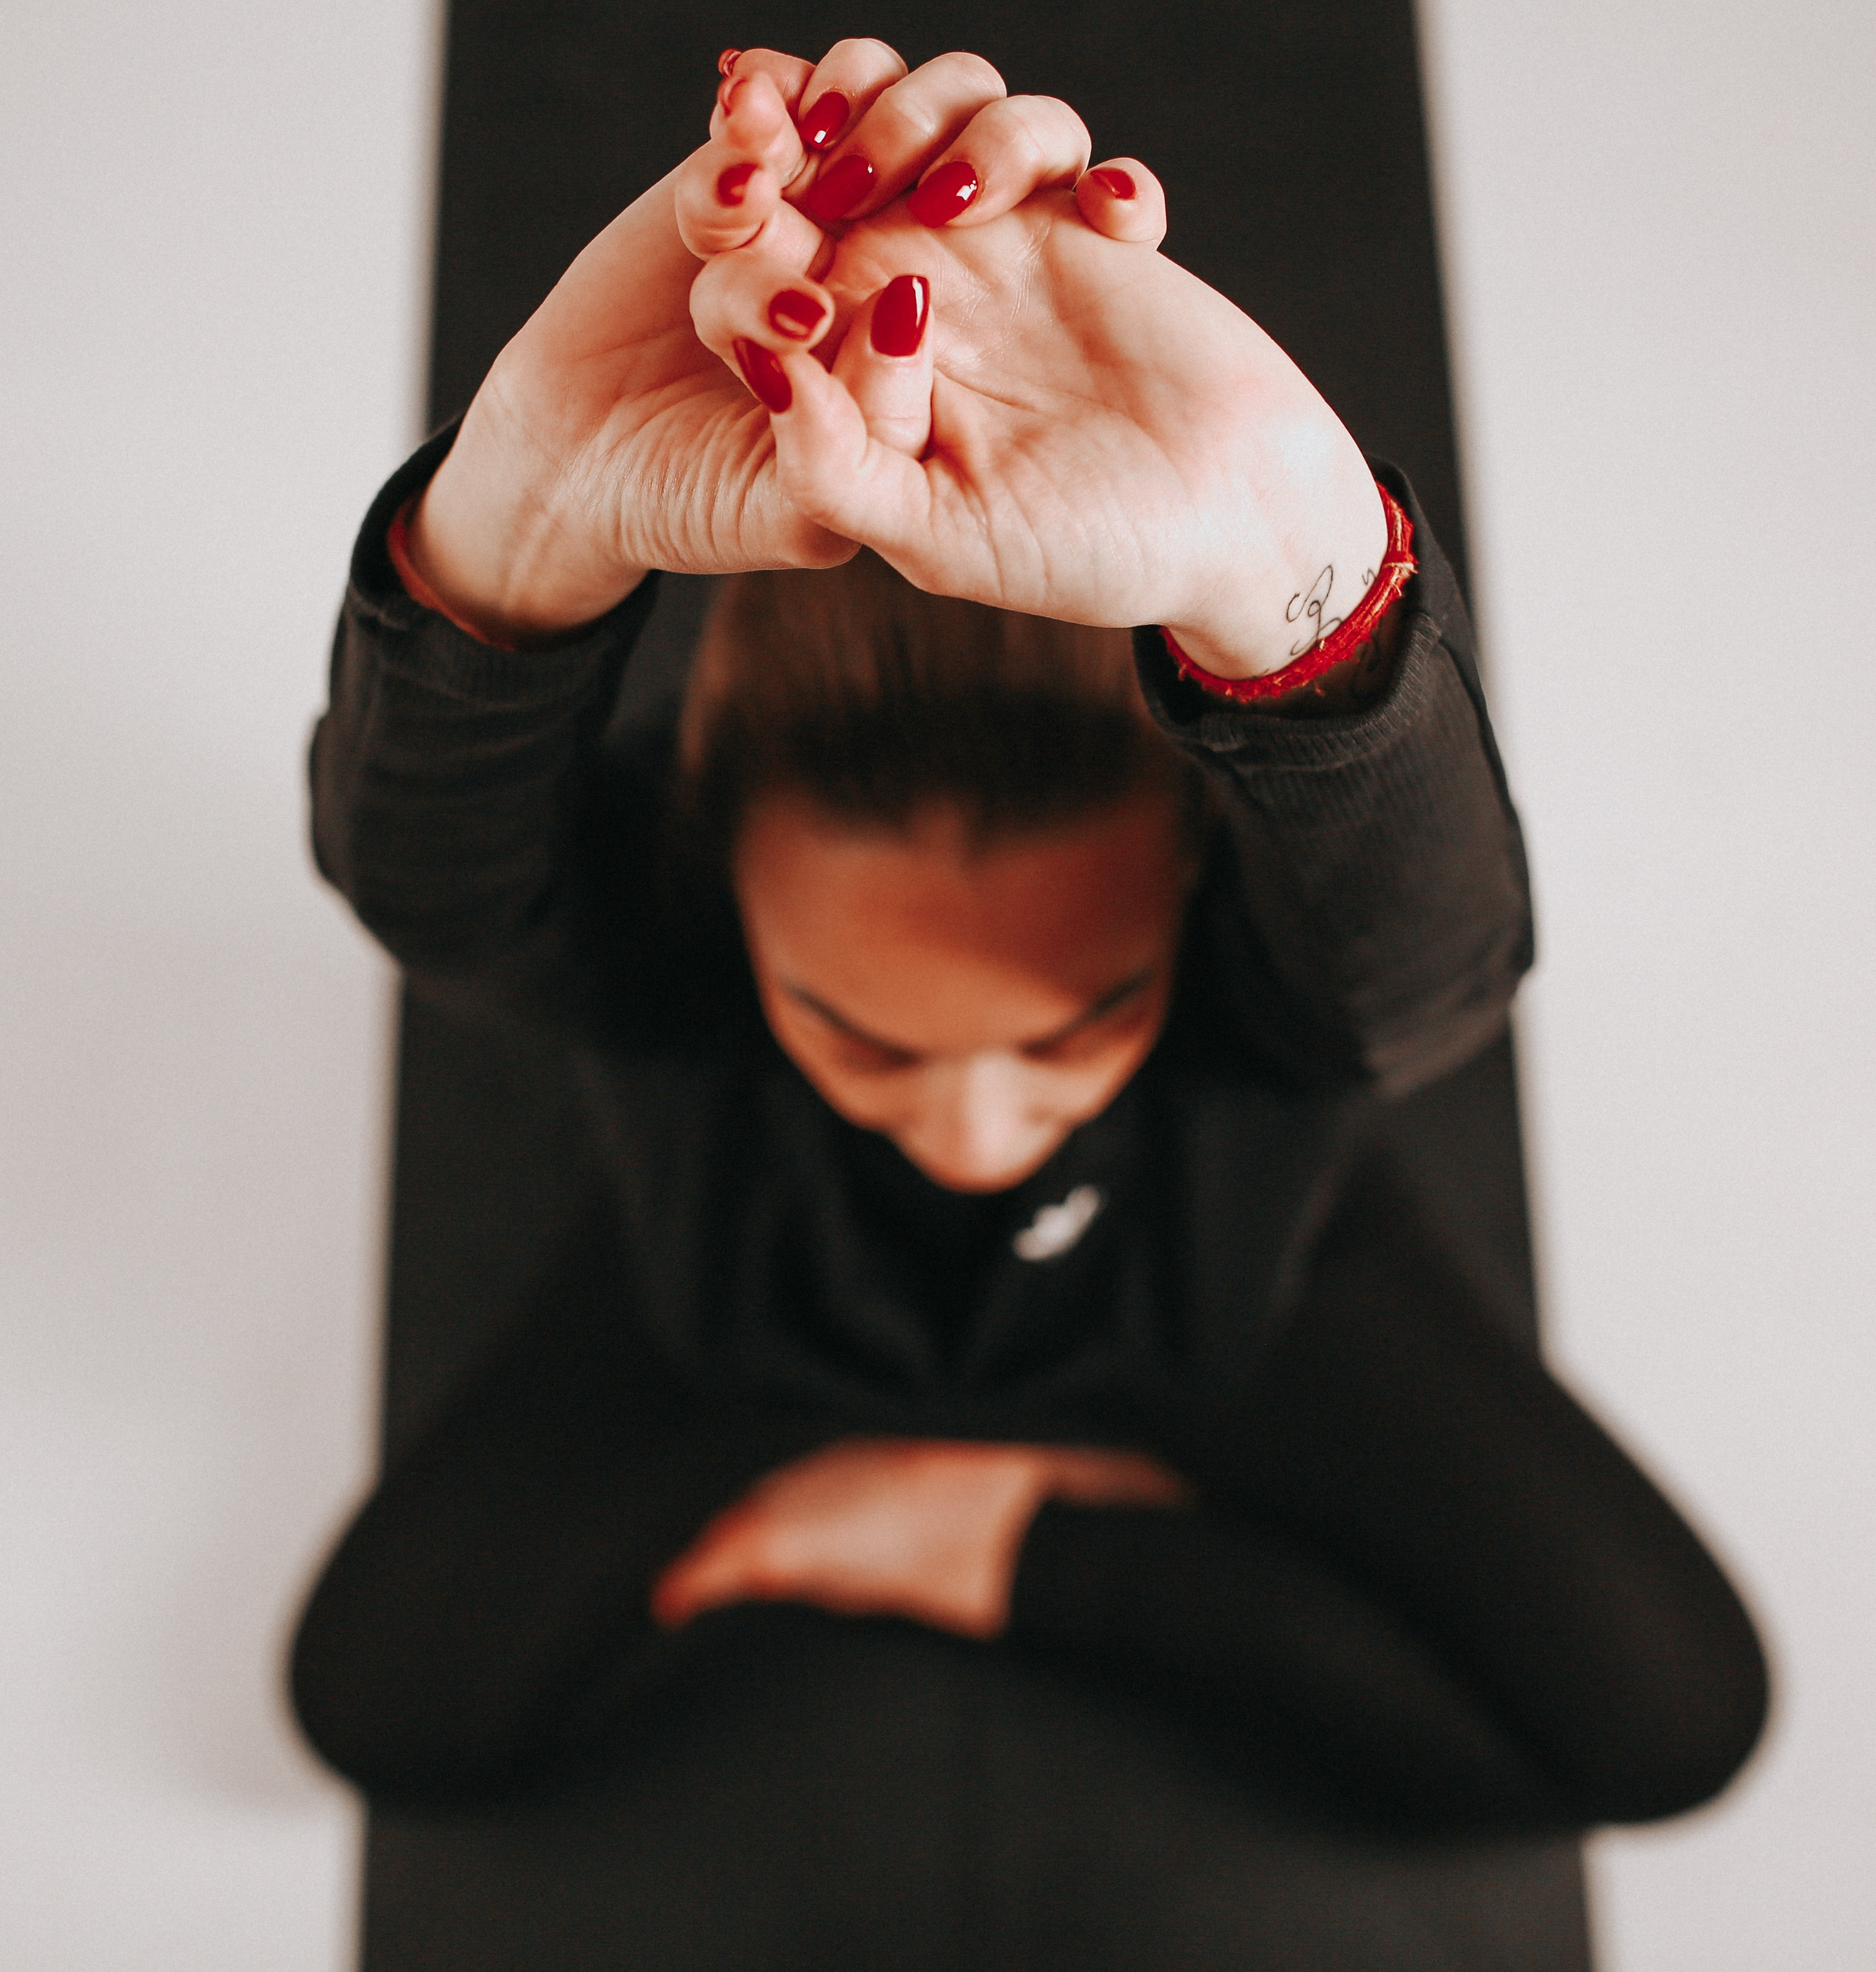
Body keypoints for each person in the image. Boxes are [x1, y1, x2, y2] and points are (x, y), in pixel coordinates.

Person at [293, 37, 1766, 1964]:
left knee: (1668, 1718)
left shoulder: (1269, 977)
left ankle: (980, 1513)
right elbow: (432, 883)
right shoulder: (658, 932)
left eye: (1075, 1027)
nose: (977, 1130)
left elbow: (1428, 955)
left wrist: (1291, 570)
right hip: (752, 1311)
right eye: (862, 1034)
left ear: (1195, 886)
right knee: (385, 1703)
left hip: (1219, 1308)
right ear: (712, 887)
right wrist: (516, 526)